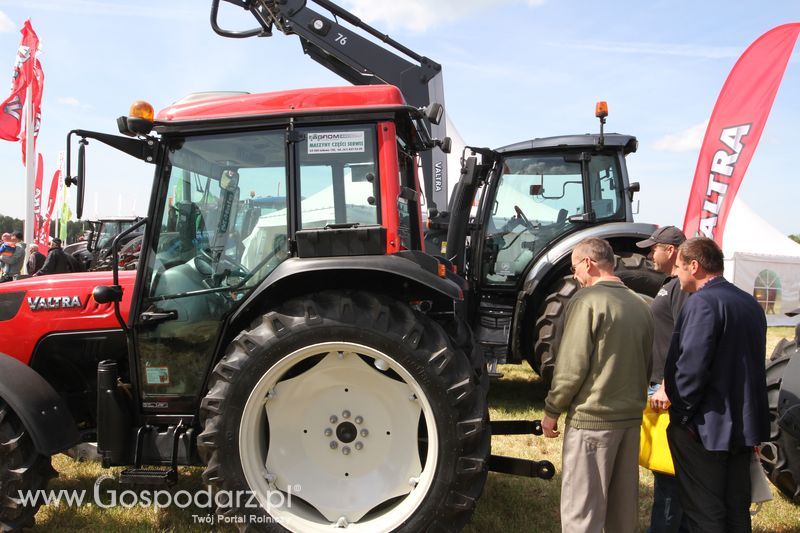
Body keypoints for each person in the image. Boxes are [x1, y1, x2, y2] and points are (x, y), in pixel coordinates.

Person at [542, 237, 654, 532]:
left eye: (574, 267)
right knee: (622, 515)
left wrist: (552, 410)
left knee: (582, 513)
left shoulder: (587, 300)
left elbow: (571, 366)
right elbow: (648, 365)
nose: (574, 275)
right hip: (630, 422)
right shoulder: (642, 305)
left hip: (592, 422)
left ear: (588, 263)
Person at [664, 237, 769, 532]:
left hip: (704, 427)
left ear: (694, 266)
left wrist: (683, 416)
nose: (675, 274)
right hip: (741, 426)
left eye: (679, 267)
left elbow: (691, 367)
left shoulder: (702, 302)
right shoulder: (748, 302)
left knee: (704, 511)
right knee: (736, 509)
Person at [636, 226, 689, 533]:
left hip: (667, 390)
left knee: (669, 476)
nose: (649, 254)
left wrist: (668, 385)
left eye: (653, 248)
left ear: (670, 250)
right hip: (660, 386)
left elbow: (685, 338)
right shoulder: (671, 284)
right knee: (664, 473)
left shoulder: (681, 288)